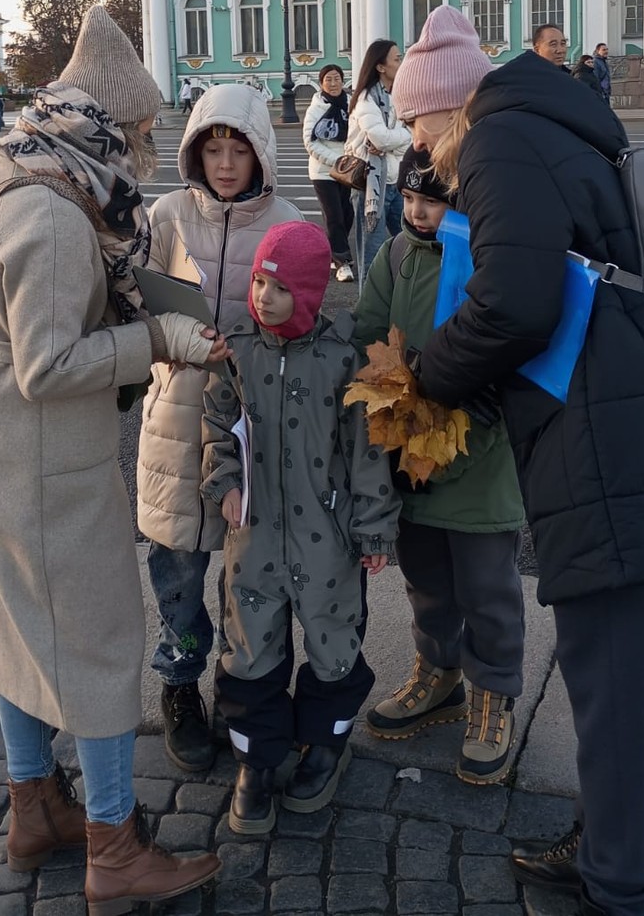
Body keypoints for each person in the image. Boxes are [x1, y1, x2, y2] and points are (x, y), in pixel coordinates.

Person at [415, 49, 644, 916]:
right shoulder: (552, 127)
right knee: (620, 678)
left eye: (414, 121)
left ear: (449, 109)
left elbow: (517, 299)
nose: (413, 146)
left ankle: (619, 888)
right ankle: (605, 845)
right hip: (620, 413)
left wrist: (430, 373)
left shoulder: (495, 142)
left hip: (603, 429)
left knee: (614, 686)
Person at [0, 6, 223, 907]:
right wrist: (158, 338)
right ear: (108, 124)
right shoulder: (57, 218)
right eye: (143, 133)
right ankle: (113, 843)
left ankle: (34, 808)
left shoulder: (17, 165)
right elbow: (48, 364)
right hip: (43, 464)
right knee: (102, 638)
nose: (145, 153)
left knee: (17, 624)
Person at [202, 222, 399, 835]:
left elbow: (367, 453)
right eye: (259, 282)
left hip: (327, 540)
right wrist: (224, 481)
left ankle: (325, 744)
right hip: (254, 537)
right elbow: (216, 424)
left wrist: (373, 531)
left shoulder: (343, 360)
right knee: (250, 643)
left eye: (279, 288)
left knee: (332, 641)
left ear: (310, 294)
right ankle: (256, 760)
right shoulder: (237, 349)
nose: (263, 297)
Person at [138, 85, 302, 772]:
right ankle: (179, 683)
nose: (226, 162)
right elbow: (133, 313)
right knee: (178, 568)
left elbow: (307, 319)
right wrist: (177, 336)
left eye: (238, 148)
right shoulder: (167, 214)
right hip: (177, 417)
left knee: (249, 574)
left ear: (260, 151)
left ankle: (244, 691)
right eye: (214, 146)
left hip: (251, 423)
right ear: (196, 149)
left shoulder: (289, 220)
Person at [355, 146, 525, 786]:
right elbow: (367, 333)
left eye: (436, 200)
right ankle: (439, 672)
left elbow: (516, 340)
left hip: (480, 455)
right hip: (410, 449)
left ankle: (493, 691)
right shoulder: (395, 256)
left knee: (488, 587)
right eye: (412, 198)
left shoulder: (489, 258)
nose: (421, 212)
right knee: (426, 575)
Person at [344, 40, 410, 285]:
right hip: (370, 188)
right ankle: (367, 315)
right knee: (371, 257)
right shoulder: (365, 99)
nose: (400, 63)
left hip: (394, 182)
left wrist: (397, 141)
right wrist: (403, 139)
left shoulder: (397, 96)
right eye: (396, 58)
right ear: (380, 66)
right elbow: (379, 139)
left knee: (410, 243)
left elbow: (409, 136)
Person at [303, 63, 355, 282]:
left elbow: (358, 134)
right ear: (321, 83)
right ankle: (342, 262)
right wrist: (339, 160)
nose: (333, 84)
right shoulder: (316, 108)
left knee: (347, 214)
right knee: (334, 216)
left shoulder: (351, 105)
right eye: (328, 80)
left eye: (337, 79)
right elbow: (310, 142)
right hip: (323, 172)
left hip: (348, 171)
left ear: (343, 81)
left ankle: (332, 252)